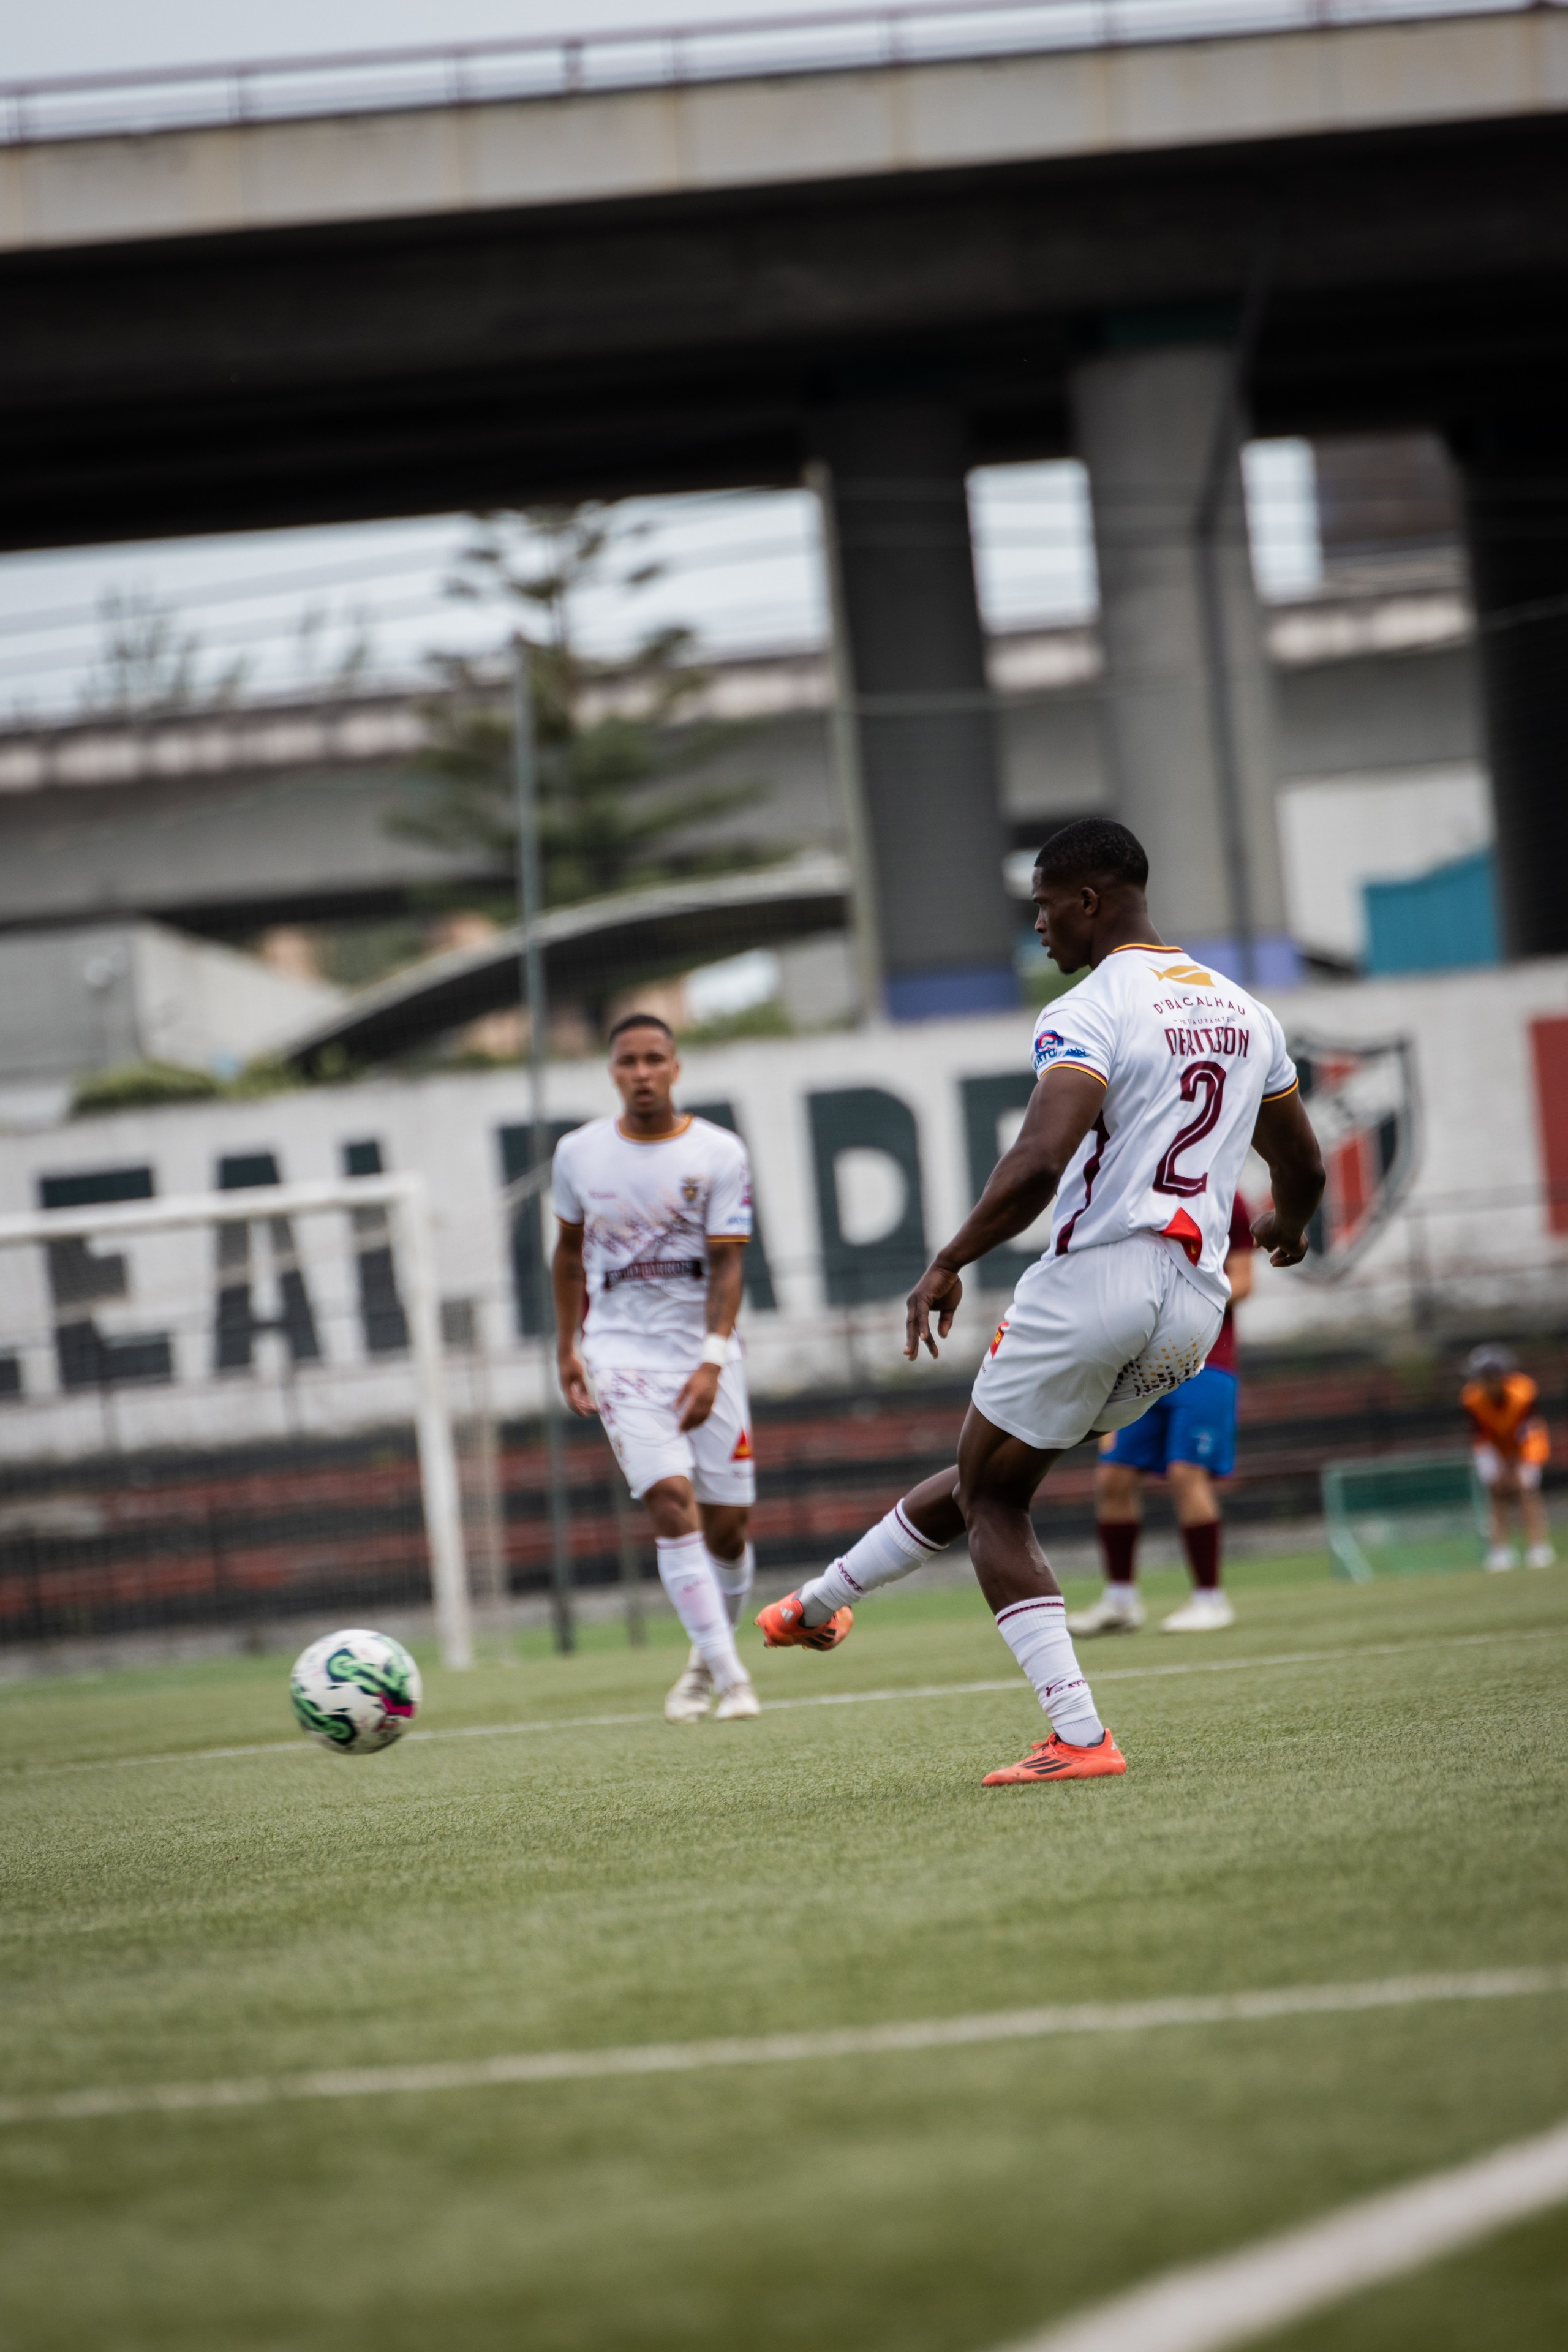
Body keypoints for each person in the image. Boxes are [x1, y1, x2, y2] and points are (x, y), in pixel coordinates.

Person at [758, 816, 1325, 1784]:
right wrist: (1287, 1229)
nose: (1040, 929)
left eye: (1045, 909)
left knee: (993, 1501)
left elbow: (1037, 1162)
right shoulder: (1246, 1013)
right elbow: (1303, 1165)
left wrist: (949, 1258)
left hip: (1098, 1277)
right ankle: (810, 1610)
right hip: (1192, 1311)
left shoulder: (1095, 1008)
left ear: (1089, 901)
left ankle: (1079, 1736)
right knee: (994, 1480)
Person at [552, 1013, 762, 1722]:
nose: (641, 1073)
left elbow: (729, 1263)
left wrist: (710, 1362)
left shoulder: (718, 1151)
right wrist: (567, 1347)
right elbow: (565, 1254)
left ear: (675, 1068)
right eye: (627, 1062)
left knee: (729, 1529)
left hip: (706, 1355)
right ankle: (735, 1681)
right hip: (620, 1355)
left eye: (653, 1059)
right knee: (671, 1504)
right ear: (612, 1072)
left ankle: (703, 1668)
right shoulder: (578, 1154)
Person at [1069, 1192, 1256, 1637]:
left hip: (1207, 1363)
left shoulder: (1227, 1197)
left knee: (1184, 1474)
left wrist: (1180, 1304)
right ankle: (1120, 1601)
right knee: (1113, 1477)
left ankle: (1210, 1599)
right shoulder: (1132, 1190)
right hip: (1142, 1366)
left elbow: (1244, 1281)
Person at [1461, 1344, 1555, 1571]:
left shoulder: (1524, 1391)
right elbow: (1481, 1433)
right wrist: (1497, 1468)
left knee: (1526, 1489)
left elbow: (1526, 1428)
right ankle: (1500, 1551)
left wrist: (1512, 1466)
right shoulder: (1472, 1397)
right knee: (1497, 1492)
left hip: (1528, 1444)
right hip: (1492, 1446)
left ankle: (1538, 1548)